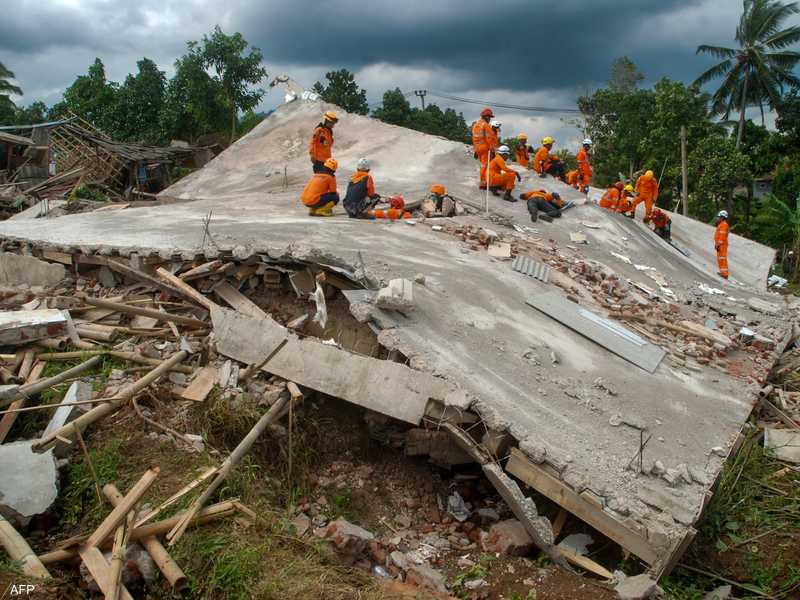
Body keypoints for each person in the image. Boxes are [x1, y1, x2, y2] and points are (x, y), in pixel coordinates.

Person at [472, 108, 494, 189]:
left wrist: (476, 150)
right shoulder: (486, 125)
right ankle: (484, 183)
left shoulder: (476, 125)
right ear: (486, 117)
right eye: (490, 117)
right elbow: (489, 139)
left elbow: (474, 137)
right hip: (485, 148)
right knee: (485, 166)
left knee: (482, 165)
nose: (490, 119)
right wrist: (492, 150)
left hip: (478, 148)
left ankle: (483, 182)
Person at [714, 210, 730, 279]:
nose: (718, 218)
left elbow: (722, 236)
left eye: (719, 217)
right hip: (721, 244)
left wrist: (718, 244)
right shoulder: (722, 224)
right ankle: (722, 272)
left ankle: (725, 274)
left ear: (723, 217)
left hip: (722, 245)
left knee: (722, 259)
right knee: (720, 259)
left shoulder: (724, 225)